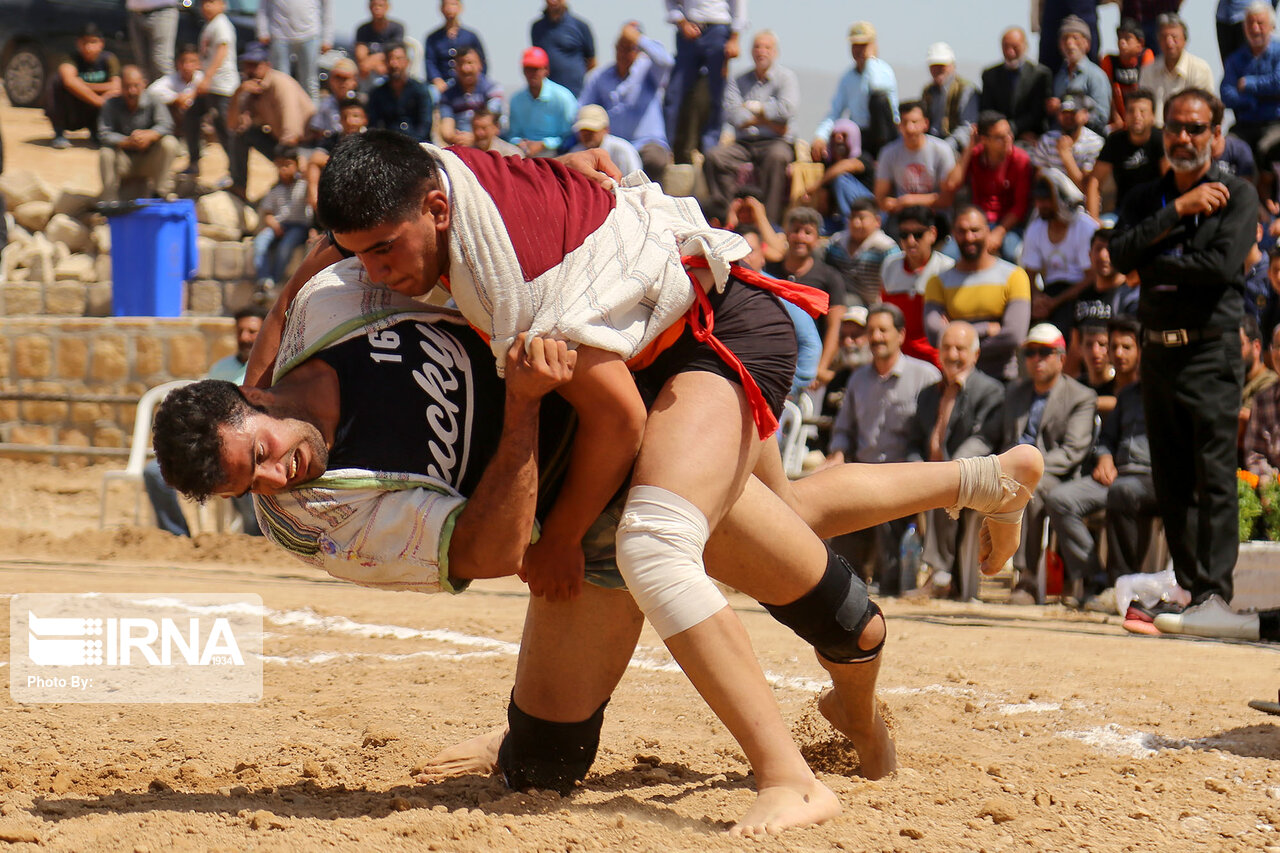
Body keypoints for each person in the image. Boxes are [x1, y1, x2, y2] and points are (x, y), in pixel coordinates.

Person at [251, 132, 1045, 832]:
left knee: (660, 542)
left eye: (386, 250)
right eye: (360, 255)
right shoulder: (433, 178)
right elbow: (437, 198)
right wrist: (295, 291)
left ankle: (789, 777)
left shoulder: (510, 293)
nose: (377, 274)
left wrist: (558, 536)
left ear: (436, 206)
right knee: (783, 510)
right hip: (657, 326)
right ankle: (987, 481)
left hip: (709, 332)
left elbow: (621, 420)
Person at [1110, 87, 1259, 636]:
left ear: (1216, 134)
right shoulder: (1147, 195)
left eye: (1197, 128)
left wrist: (1154, 262)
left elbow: (1220, 267)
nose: (1185, 137)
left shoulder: (1238, 194)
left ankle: (1216, 596)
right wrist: (1179, 211)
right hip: (1158, 351)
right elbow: (1119, 254)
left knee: (1213, 475)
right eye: (1176, 126)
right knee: (1171, 478)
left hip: (1210, 350)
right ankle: (1192, 590)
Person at [824, 304, 940, 595]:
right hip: (861, 474)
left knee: (890, 570)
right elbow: (843, 429)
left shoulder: (926, 376)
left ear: (900, 335)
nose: (876, 337)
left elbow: (933, 435)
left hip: (903, 479)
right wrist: (836, 454)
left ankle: (888, 585)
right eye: (871, 331)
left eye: (883, 330)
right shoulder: (857, 379)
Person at [1045, 317, 1153, 604]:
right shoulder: (1127, 396)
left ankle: (1123, 584)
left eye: (1127, 347)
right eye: (1114, 346)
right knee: (1059, 499)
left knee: (1124, 491)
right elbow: (1105, 438)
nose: (1118, 353)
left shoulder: (1167, 394)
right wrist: (1104, 457)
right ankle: (1096, 579)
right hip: (1115, 477)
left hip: (1152, 478)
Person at [143, 306, 267, 539]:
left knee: (240, 469)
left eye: (252, 331)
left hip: (246, 448)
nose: (244, 337)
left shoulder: (273, 368)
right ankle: (178, 537)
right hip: (208, 446)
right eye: (240, 331)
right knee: (153, 473)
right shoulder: (221, 369)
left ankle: (254, 541)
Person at [1002, 323, 1099, 604]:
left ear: (1062, 357)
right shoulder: (1015, 393)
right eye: (1030, 353)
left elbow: (1072, 452)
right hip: (1008, 468)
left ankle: (1028, 576)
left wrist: (1025, 468)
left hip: (1056, 475)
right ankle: (947, 575)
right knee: (960, 478)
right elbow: (996, 436)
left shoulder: (1081, 396)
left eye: (1044, 352)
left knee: (1032, 488)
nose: (1036, 359)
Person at [907, 321, 1004, 598]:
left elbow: (984, 439)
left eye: (960, 348)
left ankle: (941, 575)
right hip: (929, 474)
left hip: (975, 475)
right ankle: (905, 574)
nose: (952, 354)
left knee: (943, 487)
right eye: (947, 348)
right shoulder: (928, 394)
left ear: (975, 354)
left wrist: (953, 468)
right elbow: (914, 441)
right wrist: (914, 467)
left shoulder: (990, 391)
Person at [925, 207, 1032, 382]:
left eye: (975, 230)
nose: (968, 237)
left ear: (988, 231)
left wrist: (955, 337)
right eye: (962, 231)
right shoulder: (937, 282)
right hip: (956, 381)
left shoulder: (1014, 276)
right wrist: (985, 328)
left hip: (1001, 380)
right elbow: (934, 334)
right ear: (953, 233)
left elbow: (1013, 335)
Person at [703, 31, 799, 226]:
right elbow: (733, 116)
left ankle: (769, 223)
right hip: (744, 143)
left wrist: (753, 108)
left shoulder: (786, 78)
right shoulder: (738, 81)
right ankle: (728, 217)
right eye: (757, 47)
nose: (761, 51)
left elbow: (786, 110)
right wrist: (769, 118)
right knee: (714, 157)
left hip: (775, 142)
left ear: (775, 52)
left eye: (767, 47)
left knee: (777, 158)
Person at [577, 20, 674, 185]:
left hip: (646, 144)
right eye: (620, 47)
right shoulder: (600, 77)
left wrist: (638, 38)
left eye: (629, 48)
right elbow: (582, 107)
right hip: (614, 145)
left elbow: (666, 61)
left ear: (638, 51)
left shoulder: (649, 71)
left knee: (654, 160)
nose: (623, 53)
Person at [763, 207, 847, 392]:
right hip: (770, 363)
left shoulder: (830, 277)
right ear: (786, 235)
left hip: (810, 371)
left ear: (817, 240)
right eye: (795, 231)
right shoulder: (769, 272)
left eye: (808, 232)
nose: (800, 237)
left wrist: (820, 367)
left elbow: (835, 326)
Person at [227, 42, 315, 201]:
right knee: (242, 136)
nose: (250, 70)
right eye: (247, 65)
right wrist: (238, 93)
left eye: (255, 65)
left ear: (267, 65)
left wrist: (285, 163)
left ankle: (286, 186)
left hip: (304, 145)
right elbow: (234, 126)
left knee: (289, 158)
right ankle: (239, 187)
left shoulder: (280, 83)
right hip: (282, 143)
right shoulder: (251, 88)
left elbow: (292, 131)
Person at [943, 110, 1033, 262]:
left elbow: (1020, 207)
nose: (1008, 139)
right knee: (947, 257)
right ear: (984, 140)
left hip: (1008, 226)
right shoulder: (975, 155)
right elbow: (951, 184)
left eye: (1009, 133)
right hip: (976, 223)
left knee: (1013, 255)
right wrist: (970, 147)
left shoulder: (1020, 160)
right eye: (1000, 137)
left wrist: (999, 232)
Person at [663, 0, 742, 162]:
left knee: (717, 94)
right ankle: (667, 146)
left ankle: (710, 147)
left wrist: (735, 36)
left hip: (718, 28)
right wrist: (681, 21)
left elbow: (738, 4)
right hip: (688, 30)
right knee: (675, 93)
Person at [1022, 174, 1099, 333]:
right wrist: (1037, 299)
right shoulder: (1035, 229)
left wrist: (1055, 302)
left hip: (1081, 293)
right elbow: (1029, 275)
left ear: (1061, 200)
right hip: (1050, 293)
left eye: (1045, 200)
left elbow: (1092, 277)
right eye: (1038, 200)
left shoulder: (1085, 228)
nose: (1039, 205)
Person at [811, 22, 899, 163]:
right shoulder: (847, 78)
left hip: (885, 133)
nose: (859, 50)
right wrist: (821, 135)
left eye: (864, 45)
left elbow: (877, 87)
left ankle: (882, 157)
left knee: (878, 100)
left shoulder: (882, 70)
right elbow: (835, 110)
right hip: (860, 133)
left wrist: (870, 60)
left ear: (873, 46)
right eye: (855, 45)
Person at [879, 204, 953, 366]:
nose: (911, 241)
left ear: (932, 234)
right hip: (897, 358)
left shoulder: (947, 268)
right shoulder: (889, 265)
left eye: (918, 234)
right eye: (904, 235)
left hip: (936, 358)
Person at [97, 65, 180, 203]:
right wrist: (126, 141)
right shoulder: (110, 104)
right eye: (127, 86)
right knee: (105, 152)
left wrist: (150, 135)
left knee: (169, 143)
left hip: (149, 159)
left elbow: (167, 125)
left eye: (136, 86)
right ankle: (109, 201)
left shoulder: (154, 101)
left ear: (144, 84)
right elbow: (104, 133)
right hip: (124, 161)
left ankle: (160, 192)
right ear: (121, 86)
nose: (132, 91)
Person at [1221, 2, 1280, 191]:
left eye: (1260, 23)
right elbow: (1226, 93)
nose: (1255, 28)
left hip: (1274, 123)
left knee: (1266, 148)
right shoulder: (1235, 58)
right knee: (1227, 147)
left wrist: (1248, 83)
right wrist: (1250, 100)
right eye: (1250, 24)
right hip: (1244, 125)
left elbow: (1278, 82)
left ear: (1271, 26)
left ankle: (1268, 202)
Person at [1066, 228, 1140, 373]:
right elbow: (1075, 349)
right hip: (1088, 381)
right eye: (1099, 248)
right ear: (1089, 254)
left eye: (1110, 249)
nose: (1104, 255)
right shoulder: (1083, 297)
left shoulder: (1132, 296)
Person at [1086, 89, 1166, 221]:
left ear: (1152, 116)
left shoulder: (1161, 140)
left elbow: (1170, 180)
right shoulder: (1114, 141)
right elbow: (1094, 181)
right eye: (1131, 111)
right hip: (1123, 213)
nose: (1136, 116)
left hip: (1155, 213)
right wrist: (1094, 220)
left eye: (1142, 111)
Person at [873, 100, 955, 221]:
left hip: (935, 215)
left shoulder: (942, 150)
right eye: (905, 123)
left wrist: (910, 200)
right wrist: (895, 204)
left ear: (925, 124)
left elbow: (947, 198)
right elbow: (880, 198)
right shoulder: (888, 152)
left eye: (915, 122)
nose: (910, 128)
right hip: (902, 216)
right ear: (899, 126)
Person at [185, 0, 237, 180]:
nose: (206, 6)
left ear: (222, 4)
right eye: (204, 3)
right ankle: (193, 162)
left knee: (225, 130)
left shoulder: (222, 24)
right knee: (191, 115)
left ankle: (234, 172)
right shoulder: (210, 25)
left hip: (222, 87)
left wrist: (207, 78)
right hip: (210, 86)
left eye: (212, 2)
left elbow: (222, 51)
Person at [47, 24, 120, 150]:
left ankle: (98, 132)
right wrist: (98, 101)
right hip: (73, 109)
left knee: (115, 95)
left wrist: (84, 85)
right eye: (84, 42)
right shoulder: (71, 58)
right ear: (78, 43)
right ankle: (59, 133)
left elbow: (116, 86)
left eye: (93, 42)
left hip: (94, 111)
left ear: (101, 43)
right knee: (56, 81)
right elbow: (69, 81)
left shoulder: (108, 59)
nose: (88, 47)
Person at [1138, 13, 1214, 127]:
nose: (1169, 42)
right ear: (1158, 41)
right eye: (1164, 37)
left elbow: (1206, 111)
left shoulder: (1200, 69)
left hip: (1190, 132)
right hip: (1155, 136)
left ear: (1185, 40)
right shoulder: (1148, 71)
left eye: (1174, 37)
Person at [824, 196, 899, 310]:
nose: (856, 223)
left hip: (876, 306)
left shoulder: (886, 248)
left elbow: (895, 282)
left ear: (877, 221)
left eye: (862, 218)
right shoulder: (836, 242)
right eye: (853, 217)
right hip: (843, 300)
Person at [253, 146, 311, 289]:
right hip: (278, 225)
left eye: (288, 165)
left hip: (299, 226)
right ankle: (263, 278)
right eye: (280, 166)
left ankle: (274, 279)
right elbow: (268, 213)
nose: (284, 169)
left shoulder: (304, 186)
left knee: (286, 246)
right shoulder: (275, 189)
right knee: (260, 242)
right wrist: (274, 225)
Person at [980, 27, 1051, 142]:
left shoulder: (1040, 75)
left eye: (1015, 47)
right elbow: (986, 109)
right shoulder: (990, 75)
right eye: (1005, 46)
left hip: (1031, 136)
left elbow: (1037, 112)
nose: (1010, 52)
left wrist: (1014, 129)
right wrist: (1002, 131)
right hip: (996, 137)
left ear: (1025, 46)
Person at [256, 0, 332, 101]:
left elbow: (328, 9)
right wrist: (262, 31)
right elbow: (263, 7)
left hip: (310, 35)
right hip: (280, 35)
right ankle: (284, 113)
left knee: (310, 81)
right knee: (281, 82)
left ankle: (312, 115)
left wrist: (327, 38)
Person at [507, 47, 577, 156]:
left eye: (536, 69)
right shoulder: (516, 100)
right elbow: (513, 134)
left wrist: (544, 144)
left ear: (546, 70)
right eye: (529, 68)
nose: (532, 73)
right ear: (523, 70)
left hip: (557, 154)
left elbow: (569, 135)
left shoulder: (563, 97)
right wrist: (519, 143)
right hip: (524, 154)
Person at [1031, 93, 1105, 195]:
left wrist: (1065, 155)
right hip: (1051, 201)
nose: (1068, 116)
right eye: (1064, 112)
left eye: (1073, 112)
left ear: (1085, 115)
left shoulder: (1095, 143)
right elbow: (1039, 181)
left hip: (1080, 205)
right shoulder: (1046, 140)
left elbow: (1086, 188)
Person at [1049, 16, 1112, 134]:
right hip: (1061, 138)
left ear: (1086, 44)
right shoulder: (1059, 77)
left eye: (1075, 38)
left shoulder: (1096, 75)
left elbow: (1102, 117)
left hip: (1090, 141)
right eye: (1065, 38)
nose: (1069, 43)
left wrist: (1080, 114)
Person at [306, 100, 368, 210]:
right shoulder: (332, 139)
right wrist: (313, 192)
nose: (350, 121)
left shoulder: (372, 139)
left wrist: (338, 161)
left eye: (355, 116)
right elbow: (315, 159)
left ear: (365, 119)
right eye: (345, 117)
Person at [437, 47, 503, 147]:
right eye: (460, 64)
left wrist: (474, 138)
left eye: (470, 63)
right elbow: (446, 131)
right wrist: (460, 139)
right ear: (455, 67)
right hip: (459, 144)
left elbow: (491, 124)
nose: (465, 68)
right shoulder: (447, 94)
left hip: (488, 144)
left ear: (480, 65)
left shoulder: (492, 89)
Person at [366, 42, 433, 142]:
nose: (394, 64)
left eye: (398, 59)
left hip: (418, 145)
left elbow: (425, 124)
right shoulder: (377, 93)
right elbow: (373, 125)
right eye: (390, 59)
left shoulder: (420, 90)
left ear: (407, 62)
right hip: (388, 145)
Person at [920, 42, 978, 153]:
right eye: (934, 66)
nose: (937, 70)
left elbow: (967, 127)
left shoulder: (965, 89)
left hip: (956, 149)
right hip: (931, 146)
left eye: (942, 65)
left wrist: (946, 147)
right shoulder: (928, 91)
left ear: (952, 65)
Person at [531, 0, 595, 98]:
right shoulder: (536, 28)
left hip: (575, 95)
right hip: (548, 98)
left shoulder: (581, 27)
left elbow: (592, 62)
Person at [1101, 18, 1155, 129]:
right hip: (1118, 121)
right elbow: (1108, 93)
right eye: (1120, 38)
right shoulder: (1109, 61)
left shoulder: (1146, 56)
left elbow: (1148, 92)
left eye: (1127, 38)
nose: (1122, 42)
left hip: (1141, 120)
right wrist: (1116, 117)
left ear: (1140, 44)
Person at [425, 0, 487, 96]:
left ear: (461, 8)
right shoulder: (433, 38)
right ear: (441, 9)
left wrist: (474, 80)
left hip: (468, 83)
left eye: (453, 4)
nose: (450, 8)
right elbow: (430, 62)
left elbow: (482, 61)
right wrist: (437, 80)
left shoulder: (471, 36)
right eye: (446, 5)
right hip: (442, 83)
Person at [1240, 313, 1279, 459]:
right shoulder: (1262, 396)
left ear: (1257, 346)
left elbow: (1241, 422)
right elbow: (1255, 455)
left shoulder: (1268, 381)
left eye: (1239, 345)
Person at [566, 105, 642, 176]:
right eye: (583, 131)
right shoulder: (576, 152)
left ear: (605, 129)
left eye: (591, 130)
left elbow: (636, 183)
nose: (587, 134)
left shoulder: (622, 150)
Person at [147, 44, 203, 129]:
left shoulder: (202, 79)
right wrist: (175, 99)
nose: (187, 66)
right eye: (183, 61)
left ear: (198, 63)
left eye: (192, 61)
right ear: (177, 63)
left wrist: (192, 95)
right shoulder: (171, 79)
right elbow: (151, 91)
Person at [307, 57, 360, 146]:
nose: (342, 82)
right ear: (331, 80)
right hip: (332, 145)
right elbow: (317, 130)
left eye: (346, 78)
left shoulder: (361, 102)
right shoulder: (325, 103)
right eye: (338, 77)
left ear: (354, 81)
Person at [354, 0, 405, 85]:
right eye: (374, 5)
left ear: (387, 7)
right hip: (368, 72)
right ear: (369, 8)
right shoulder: (362, 29)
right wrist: (373, 65)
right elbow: (360, 54)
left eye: (380, 5)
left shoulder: (397, 28)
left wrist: (372, 63)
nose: (377, 8)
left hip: (388, 68)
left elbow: (394, 53)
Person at [127, 0, 178, 83]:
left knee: (161, 62)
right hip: (135, 12)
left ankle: (167, 94)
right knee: (142, 66)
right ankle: (148, 95)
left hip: (162, 11)